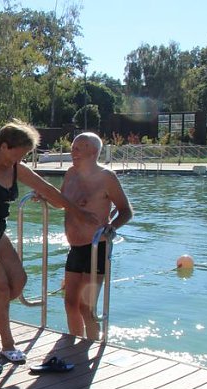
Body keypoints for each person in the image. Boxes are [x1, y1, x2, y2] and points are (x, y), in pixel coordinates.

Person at [0, 121, 96, 362]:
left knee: (18, 281)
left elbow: (48, 189)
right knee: (0, 287)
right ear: (3, 146)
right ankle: (8, 345)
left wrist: (78, 212)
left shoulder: (15, 167)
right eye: (18, 154)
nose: (19, 160)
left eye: (23, 156)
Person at [56, 132, 133, 340]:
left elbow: (126, 211)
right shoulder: (71, 173)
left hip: (96, 247)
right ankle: (73, 342)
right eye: (72, 148)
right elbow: (61, 201)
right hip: (75, 247)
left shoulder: (106, 177)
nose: (73, 152)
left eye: (78, 148)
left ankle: (90, 344)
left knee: (86, 306)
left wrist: (112, 227)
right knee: (70, 303)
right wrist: (43, 196)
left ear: (93, 152)